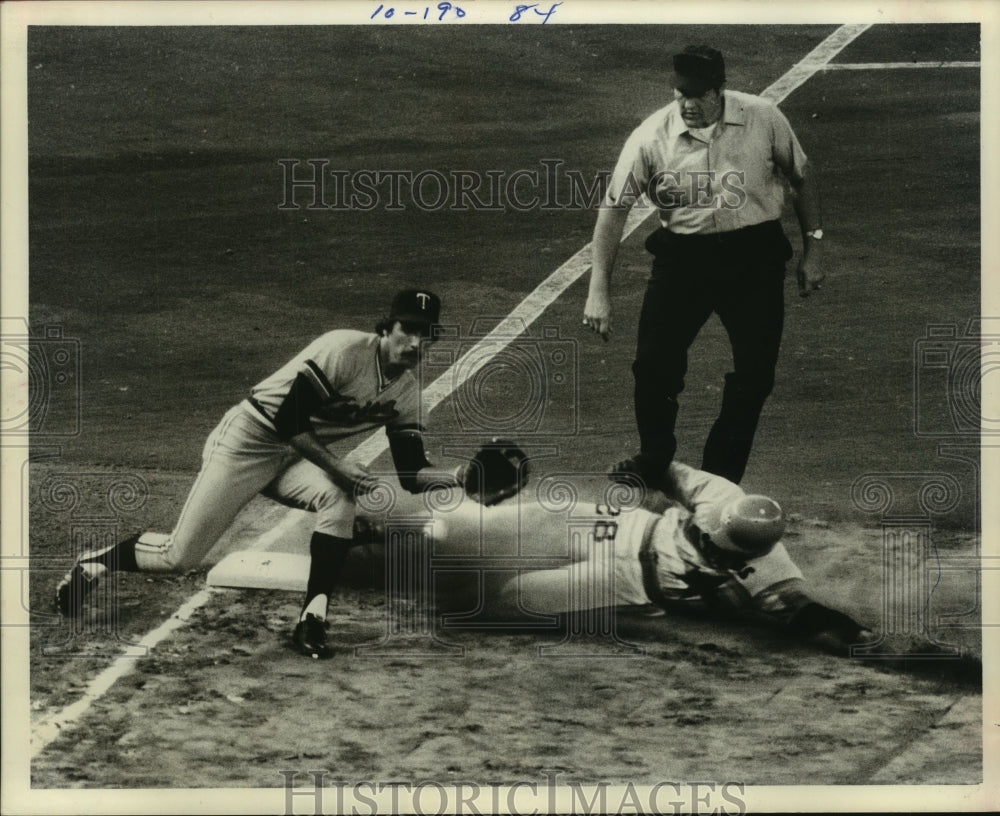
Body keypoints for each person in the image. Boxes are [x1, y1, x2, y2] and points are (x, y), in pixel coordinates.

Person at [55, 288, 466, 659]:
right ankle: (97, 561)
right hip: (246, 444)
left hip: (295, 457)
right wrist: (339, 466)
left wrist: (465, 475)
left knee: (339, 497)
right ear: (386, 327)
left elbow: (413, 474)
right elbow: (288, 420)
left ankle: (313, 619)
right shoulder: (343, 349)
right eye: (407, 329)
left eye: (425, 333)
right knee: (179, 557)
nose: (414, 342)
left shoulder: (408, 395)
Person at [583, 44, 825, 487]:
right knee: (653, 366)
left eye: (698, 95)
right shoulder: (651, 136)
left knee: (754, 377)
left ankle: (718, 481)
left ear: (720, 90)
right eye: (680, 94)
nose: (687, 105)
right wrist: (599, 288)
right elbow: (614, 209)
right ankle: (656, 457)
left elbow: (802, 178)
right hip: (684, 259)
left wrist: (815, 248)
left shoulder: (764, 118)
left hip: (754, 258)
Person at [375, 461, 874, 655]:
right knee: (485, 526)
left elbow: (805, 613)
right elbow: (667, 469)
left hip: (629, 581)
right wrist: (639, 467)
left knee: (503, 603)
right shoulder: (723, 496)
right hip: (622, 525)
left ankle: (443, 576)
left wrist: (858, 638)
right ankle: (385, 538)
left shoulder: (770, 572)